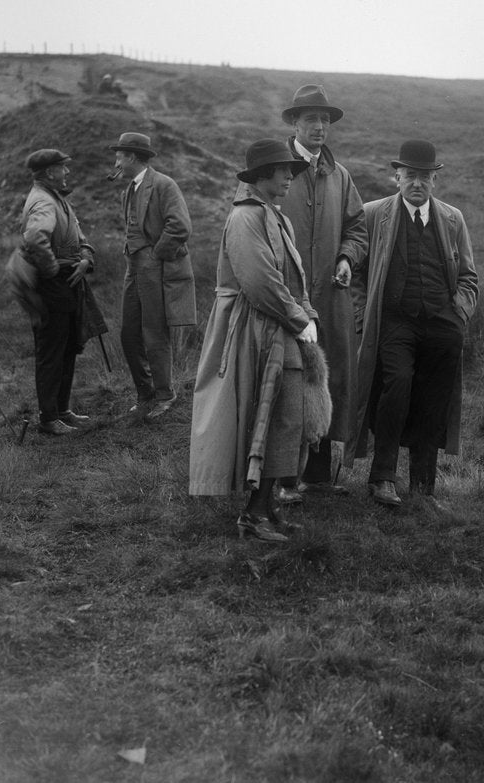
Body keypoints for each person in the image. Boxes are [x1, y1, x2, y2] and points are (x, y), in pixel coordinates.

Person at [189, 140, 321, 543]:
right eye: (283, 172)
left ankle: (268, 508)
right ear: (262, 176)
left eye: (291, 173)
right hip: (254, 329)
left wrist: (306, 314)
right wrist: (299, 319)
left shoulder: (274, 216)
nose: (289, 179)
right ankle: (254, 514)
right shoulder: (247, 218)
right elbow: (260, 280)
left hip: (277, 325)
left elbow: (291, 277)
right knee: (270, 415)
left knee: (286, 417)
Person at [351, 140, 478, 508]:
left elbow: (469, 275)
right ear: (397, 178)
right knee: (396, 387)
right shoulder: (374, 213)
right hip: (395, 323)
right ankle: (382, 479)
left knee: (434, 400)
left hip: (441, 323)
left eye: (424, 176)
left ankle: (424, 489)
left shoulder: (453, 218)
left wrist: (459, 312)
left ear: (434, 180)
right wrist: (362, 314)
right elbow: (357, 272)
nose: (417, 183)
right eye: (410, 176)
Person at [275, 84, 369, 503]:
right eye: (311, 119)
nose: (319, 127)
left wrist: (348, 257)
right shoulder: (276, 171)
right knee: (288, 382)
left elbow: (357, 229)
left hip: (332, 301)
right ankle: (280, 479)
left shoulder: (341, 175)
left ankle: (317, 476)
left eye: (325, 120)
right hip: (287, 298)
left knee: (330, 381)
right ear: (294, 123)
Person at [109, 132, 195, 422]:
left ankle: (164, 395)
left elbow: (180, 226)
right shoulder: (129, 189)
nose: (116, 162)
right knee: (129, 334)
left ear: (132, 157)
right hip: (133, 268)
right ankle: (144, 393)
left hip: (154, 267)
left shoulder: (163, 184)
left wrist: (156, 255)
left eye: (119, 156)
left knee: (155, 333)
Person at [16, 149, 96, 435]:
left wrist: (85, 256)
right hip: (52, 286)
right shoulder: (42, 201)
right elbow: (36, 240)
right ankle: (48, 419)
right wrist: (53, 270)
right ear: (50, 172)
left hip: (65, 283)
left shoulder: (57, 198)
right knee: (51, 351)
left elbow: (79, 235)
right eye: (63, 167)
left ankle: (61, 411)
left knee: (67, 347)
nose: (68, 172)